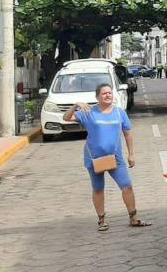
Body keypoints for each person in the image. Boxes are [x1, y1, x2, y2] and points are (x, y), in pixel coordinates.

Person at [64, 83, 151, 232]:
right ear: (97, 97)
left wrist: (131, 154)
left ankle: (133, 217)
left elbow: (128, 134)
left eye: (110, 93)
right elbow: (66, 117)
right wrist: (75, 105)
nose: (108, 95)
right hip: (94, 158)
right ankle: (101, 220)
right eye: (104, 93)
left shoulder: (119, 113)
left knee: (127, 186)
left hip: (115, 157)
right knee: (98, 189)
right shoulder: (89, 112)